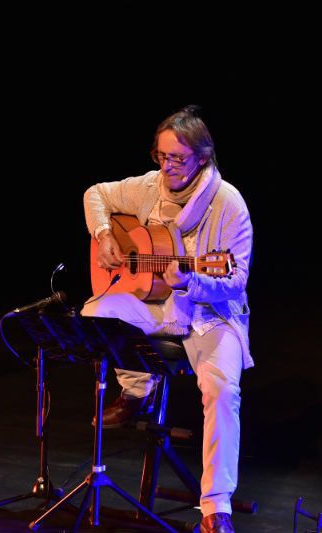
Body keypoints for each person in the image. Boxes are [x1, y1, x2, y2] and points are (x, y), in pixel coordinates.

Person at [81, 105, 252, 533]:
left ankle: (215, 506)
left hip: (211, 315)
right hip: (157, 305)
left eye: (177, 157)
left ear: (202, 157)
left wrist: (192, 281)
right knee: (96, 311)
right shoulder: (148, 187)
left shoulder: (228, 204)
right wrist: (105, 235)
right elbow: (95, 194)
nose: (167, 166)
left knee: (221, 390)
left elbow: (235, 282)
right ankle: (136, 388)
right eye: (162, 155)